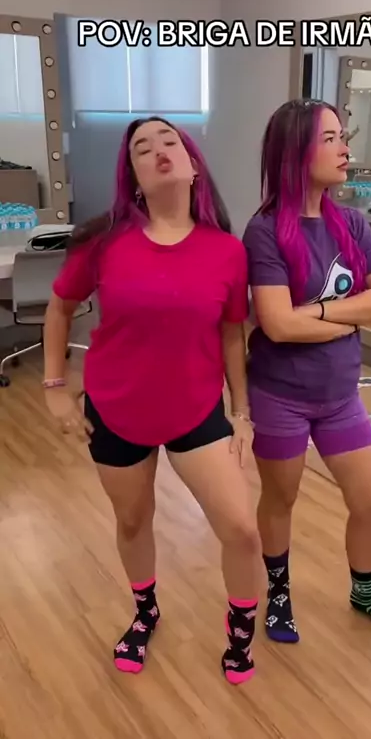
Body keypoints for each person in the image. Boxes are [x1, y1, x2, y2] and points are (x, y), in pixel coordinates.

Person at [43, 116, 261, 685]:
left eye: (170, 141)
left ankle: (240, 630)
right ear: (134, 177)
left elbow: (231, 335)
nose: (159, 150)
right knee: (134, 519)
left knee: (241, 528)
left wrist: (241, 411)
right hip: (116, 408)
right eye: (143, 147)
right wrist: (55, 388)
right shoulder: (106, 243)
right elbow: (60, 307)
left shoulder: (227, 251)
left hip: (196, 410)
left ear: (193, 167)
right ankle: (145, 613)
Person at [242, 99, 371, 648]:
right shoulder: (264, 230)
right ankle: (279, 592)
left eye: (344, 137)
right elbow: (275, 325)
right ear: (295, 151)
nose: (346, 149)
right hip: (280, 395)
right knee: (281, 500)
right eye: (331, 138)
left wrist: (315, 313)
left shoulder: (352, 223)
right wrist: (348, 316)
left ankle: (365, 593)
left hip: (341, 394)